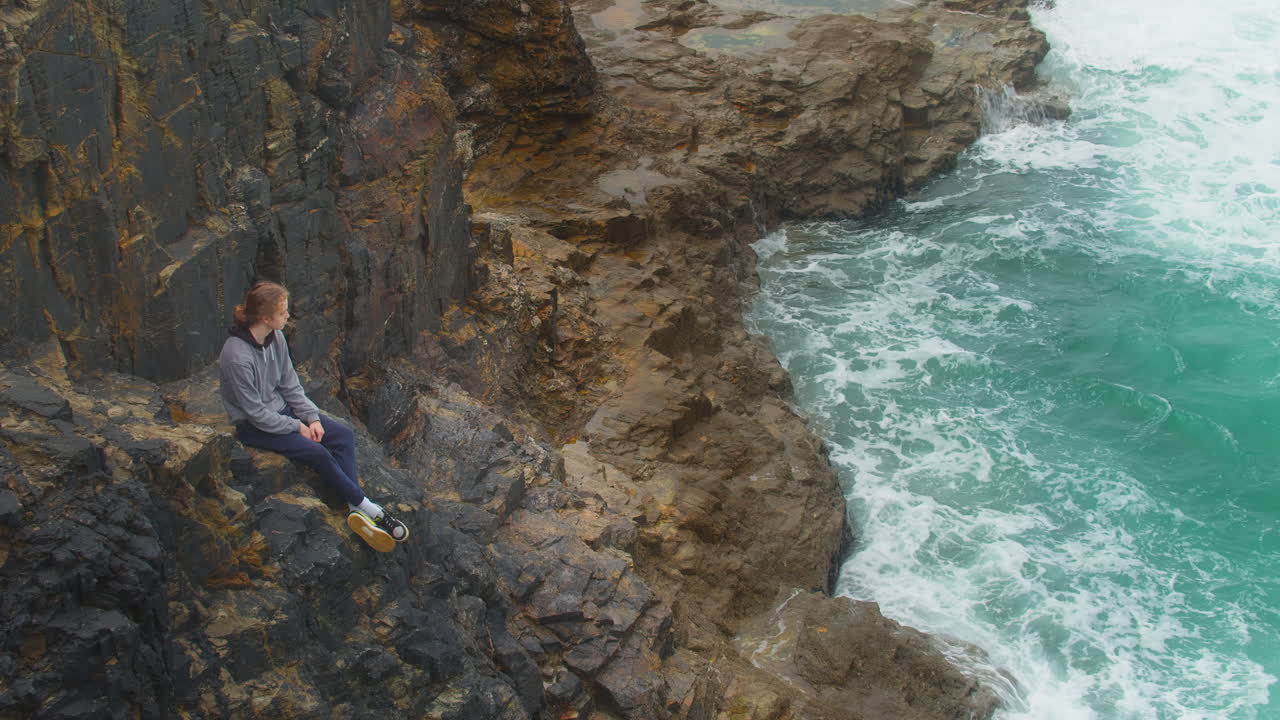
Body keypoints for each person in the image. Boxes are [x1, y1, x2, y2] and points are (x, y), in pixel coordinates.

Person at [218, 281, 409, 551]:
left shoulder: (276, 337)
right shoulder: (236, 356)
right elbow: (255, 413)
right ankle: (370, 509)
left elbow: (289, 384)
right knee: (318, 453)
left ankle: (355, 507)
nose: (288, 316)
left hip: (280, 410)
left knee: (342, 435)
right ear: (266, 318)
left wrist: (312, 417)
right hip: (253, 425)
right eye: (283, 312)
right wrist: (297, 427)